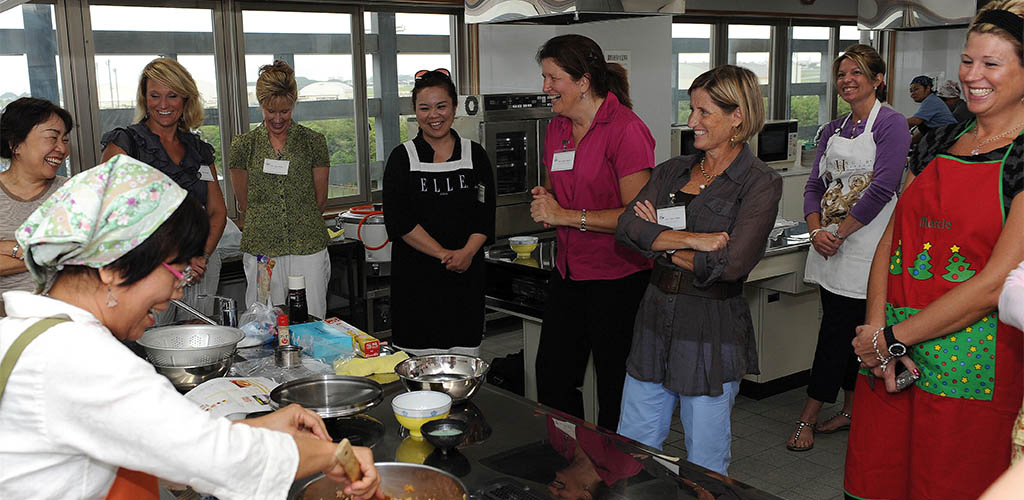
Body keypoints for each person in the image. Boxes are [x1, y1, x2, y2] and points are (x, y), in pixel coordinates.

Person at [0, 155, 382, 500]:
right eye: (177, 270)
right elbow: (217, 460)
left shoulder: (30, 333)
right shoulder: (80, 359)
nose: (177, 290)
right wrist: (333, 454)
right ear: (112, 267)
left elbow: (174, 444)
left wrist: (263, 427)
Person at [846, 3, 1024, 498]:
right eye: (968, 61)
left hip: (973, 365)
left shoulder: (1023, 157)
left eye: (992, 64)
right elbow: (892, 239)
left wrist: (893, 338)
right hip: (892, 362)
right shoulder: (936, 140)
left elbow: (995, 283)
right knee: (879, 479)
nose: (973, 76)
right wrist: (876, 332)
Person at [615, 65, 781, 476]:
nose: (692, 122)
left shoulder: (759, 182)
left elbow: (732, 264)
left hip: (710, 327)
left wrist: (660, 247)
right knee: (632, 448)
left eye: (704, 112)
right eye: (692, 110)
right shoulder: (672, 170)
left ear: (737, 116)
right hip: (654, 320)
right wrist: (693, 241)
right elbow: (627, 228)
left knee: (705, 461)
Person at [786, 44, 912, 452]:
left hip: (867, 248)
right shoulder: (831, 130)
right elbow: (813, 186)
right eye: (841, 74)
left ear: (878, 80)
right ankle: (849, 409)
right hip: (828, 246)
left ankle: (809, 416)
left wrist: (839, 233)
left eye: (857, 72)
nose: (847, 80)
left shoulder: (891, 125)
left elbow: (883, 187)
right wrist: (816, 229)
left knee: (845, 332)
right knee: (843, 330)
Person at [529, 34, 655, 431]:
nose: (546, 87)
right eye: (544, 77)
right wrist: (547, 200)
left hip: (617, 278)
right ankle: (572, 458)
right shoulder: (557, 129)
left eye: (553, 78)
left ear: (583, 81)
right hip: (569, 272)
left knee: (616, 383)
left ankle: (617, 473)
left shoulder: (626, 130)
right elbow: (562, 187)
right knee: (553, 376)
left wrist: (565, 215)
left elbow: (637, 219)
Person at [99, 58, 228, 321]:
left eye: (172, 95)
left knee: (198, 344)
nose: (164, 104)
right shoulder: (126, 143)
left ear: (185, 99)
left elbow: (217, 211)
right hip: (147, 269)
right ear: (144, 99)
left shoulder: (199, 149)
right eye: (154, 96)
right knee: (149, 347)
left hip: (197, 267)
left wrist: (201, 255)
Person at [381, 69, 496, 356]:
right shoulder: (402, 157)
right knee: (419, 370)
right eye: (425, 108)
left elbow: (485, 214)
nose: (434, 115)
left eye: (441, 106)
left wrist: (466, 253)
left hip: (465, 281)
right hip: (416, 284)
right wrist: (443, 254)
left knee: (464, 365)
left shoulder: (475, 154)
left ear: (454, 108)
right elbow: (400, 220)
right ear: (415, 112)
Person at [230, 60, 331, 319]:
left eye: (284, 111)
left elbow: (320, 200)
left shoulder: (313, 142)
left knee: (312, 318)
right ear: (260, 105)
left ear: (294, 104)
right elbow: (245, 202)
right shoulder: (244, 145)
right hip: (263, 249)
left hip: (308, 245)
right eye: (270, 111)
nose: (277, 119)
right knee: (262, 321)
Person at [0, 98, 70, 316]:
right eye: (52, 137)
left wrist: (10, 247)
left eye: (65, 139)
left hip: (62, 317)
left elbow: (77, 252)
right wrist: (45, 251)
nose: (62, 149)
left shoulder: (72, 191)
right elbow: (59, 253)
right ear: (15, 144)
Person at [907, 74, 957, 144]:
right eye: (911, 91)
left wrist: (894, 122)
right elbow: (921, 132)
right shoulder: (930, 100)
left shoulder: (931, 100)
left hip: (948, 139)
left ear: (928, 88)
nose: (912, 94)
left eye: (916, 89)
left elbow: (915, 121)